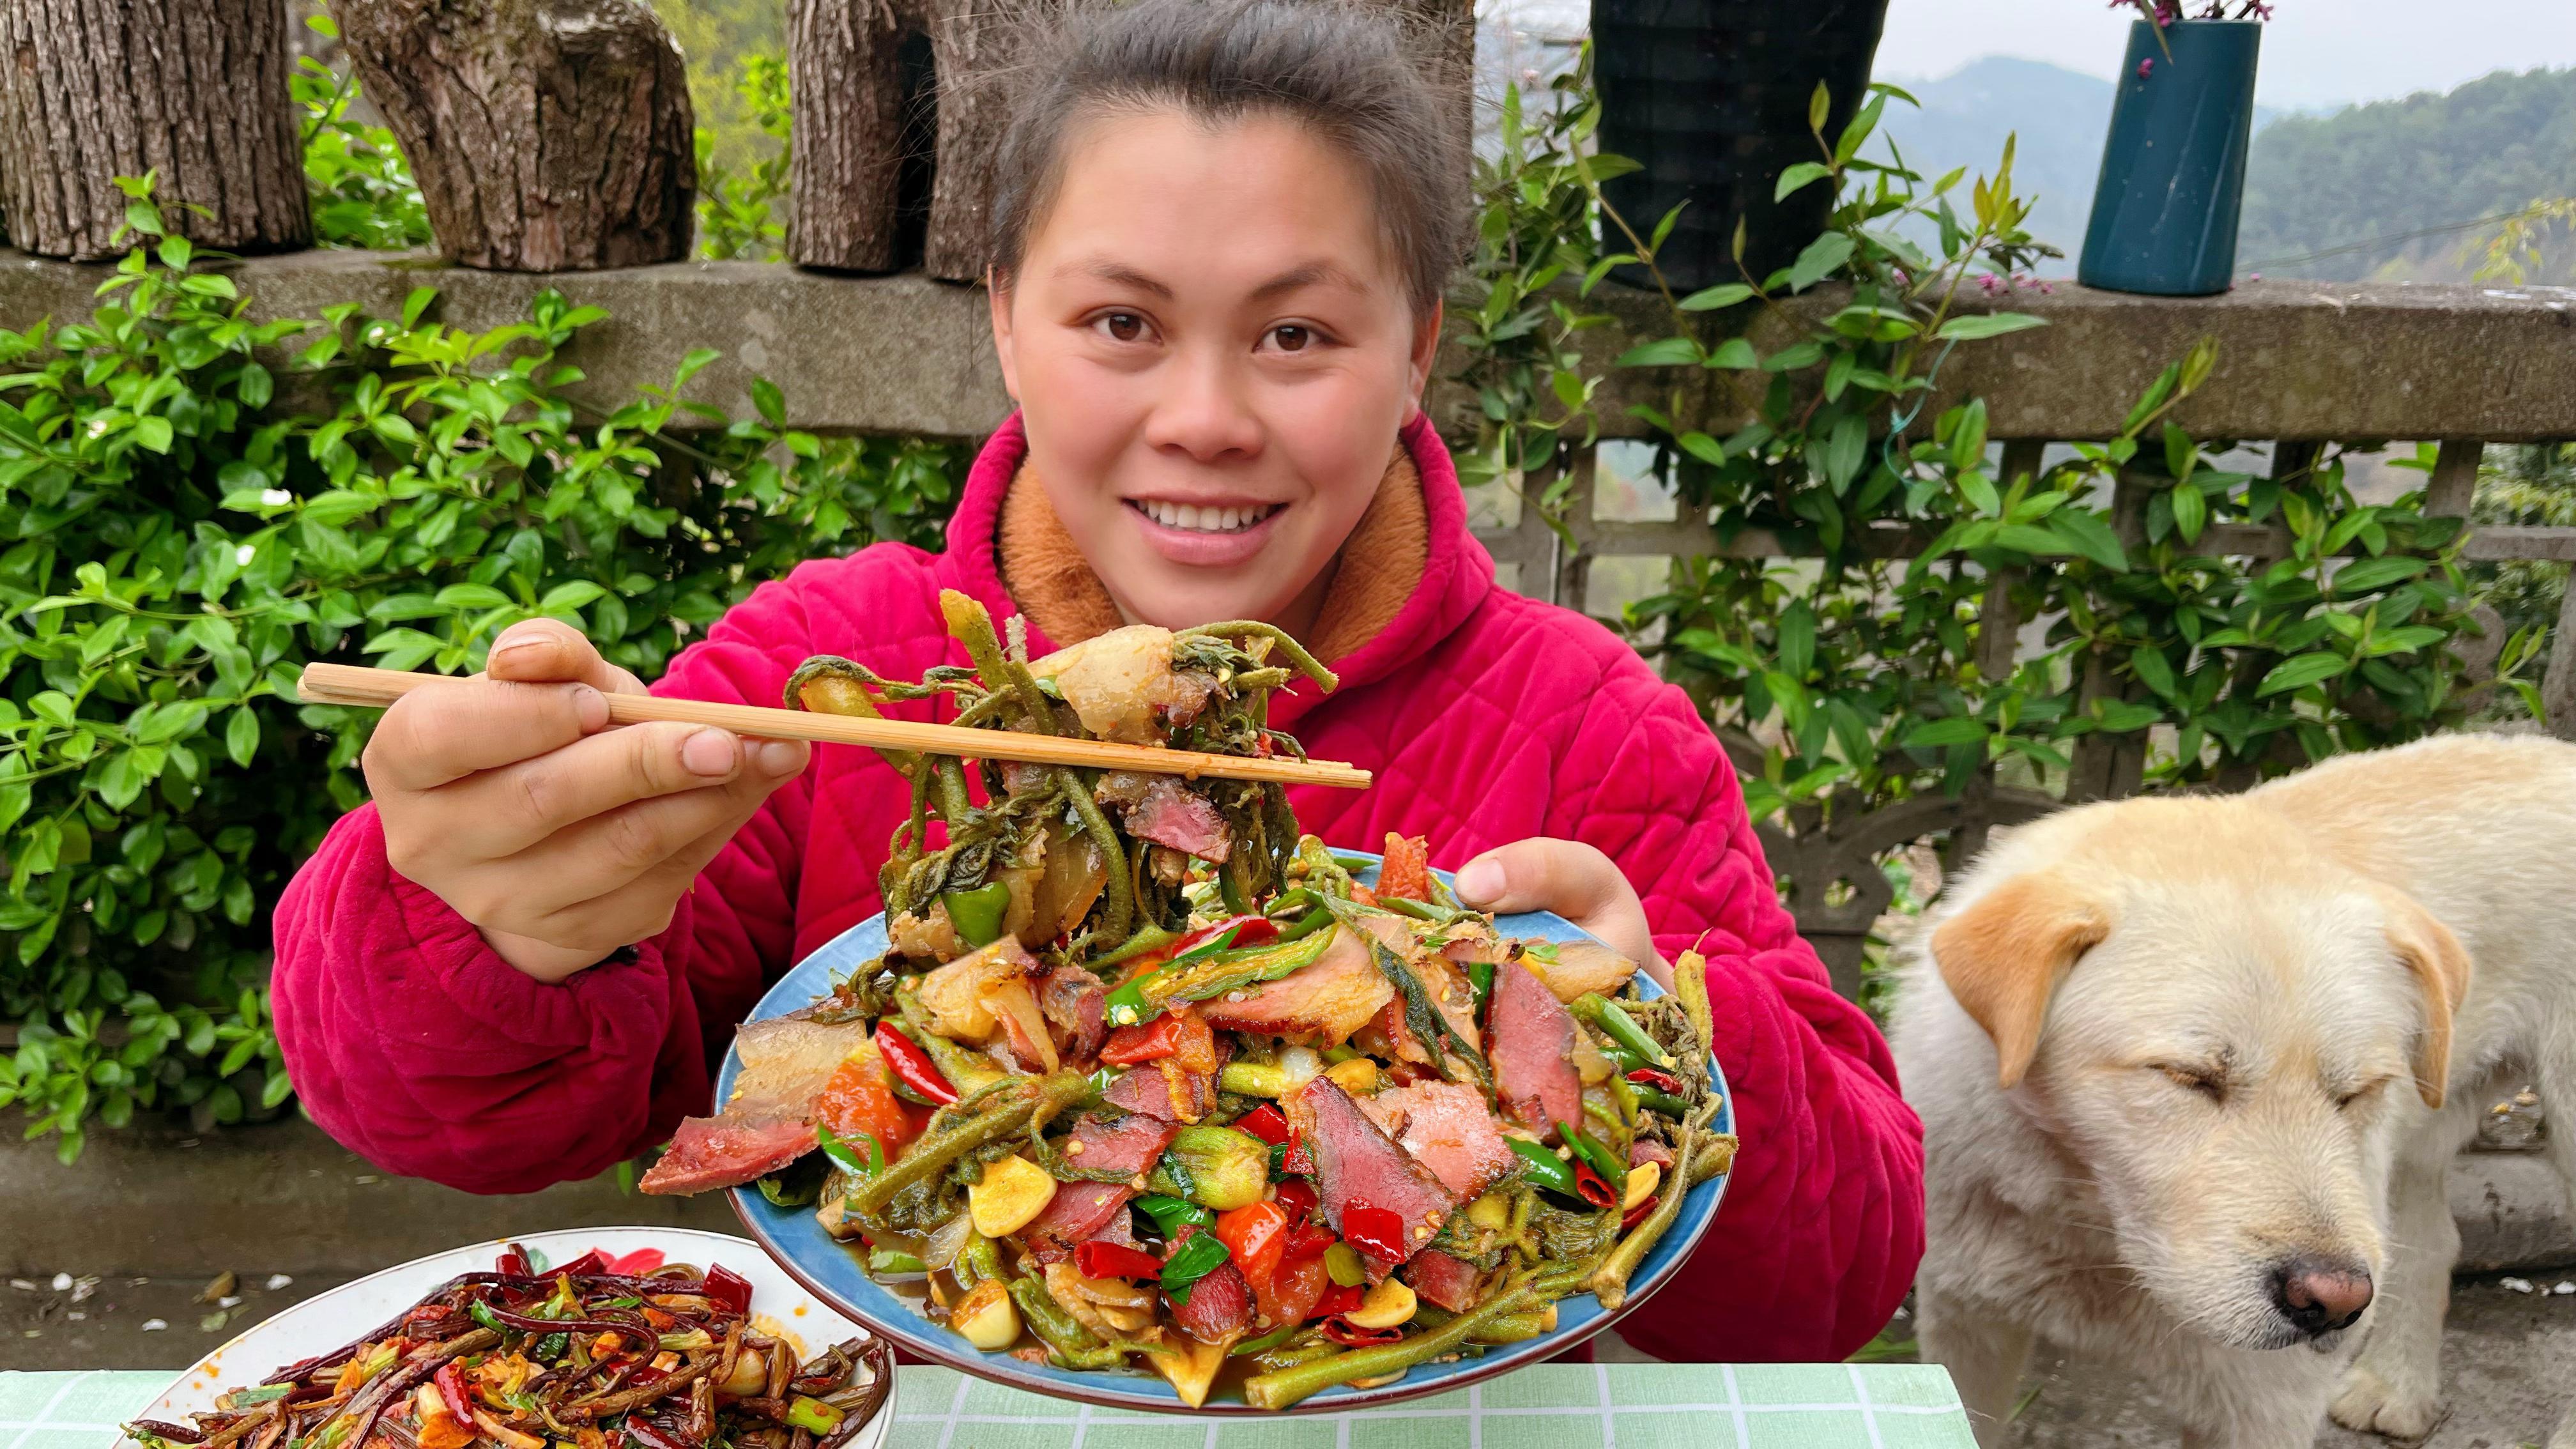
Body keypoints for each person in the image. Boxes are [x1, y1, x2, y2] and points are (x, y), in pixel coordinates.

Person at [271, 0, 1921, 1363]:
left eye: (1296, 336)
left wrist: (1668, 1039)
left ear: (1418, 347)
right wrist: (484, 918)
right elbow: (455, 1110)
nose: (1204, 419)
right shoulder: (831, 677)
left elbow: (1838, 1281)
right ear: (1005, 321)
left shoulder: (1588, 731)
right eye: (1122, 322)